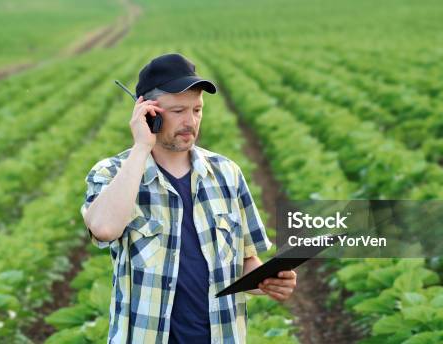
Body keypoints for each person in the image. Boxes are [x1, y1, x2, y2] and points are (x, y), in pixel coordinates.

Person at [81, 53, 297, 344]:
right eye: (178, 111)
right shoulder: (113, 173)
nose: (190, 121)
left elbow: (247, 260)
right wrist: (142, 147)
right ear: (148, 111)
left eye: (197, 110)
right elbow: (104, 228)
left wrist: (268, 281)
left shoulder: (226, 173)